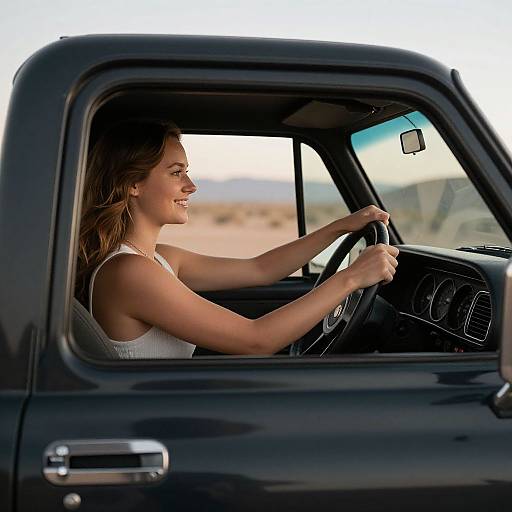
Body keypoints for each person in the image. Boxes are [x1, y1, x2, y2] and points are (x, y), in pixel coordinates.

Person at [76, 121, 399, 358]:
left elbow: (260, 269)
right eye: (176, 173)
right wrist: (352, 277)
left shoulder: (158, 259)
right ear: (133, 184)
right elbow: (255, 340)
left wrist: (339, 227)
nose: (191, 185)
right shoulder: (129, 273)